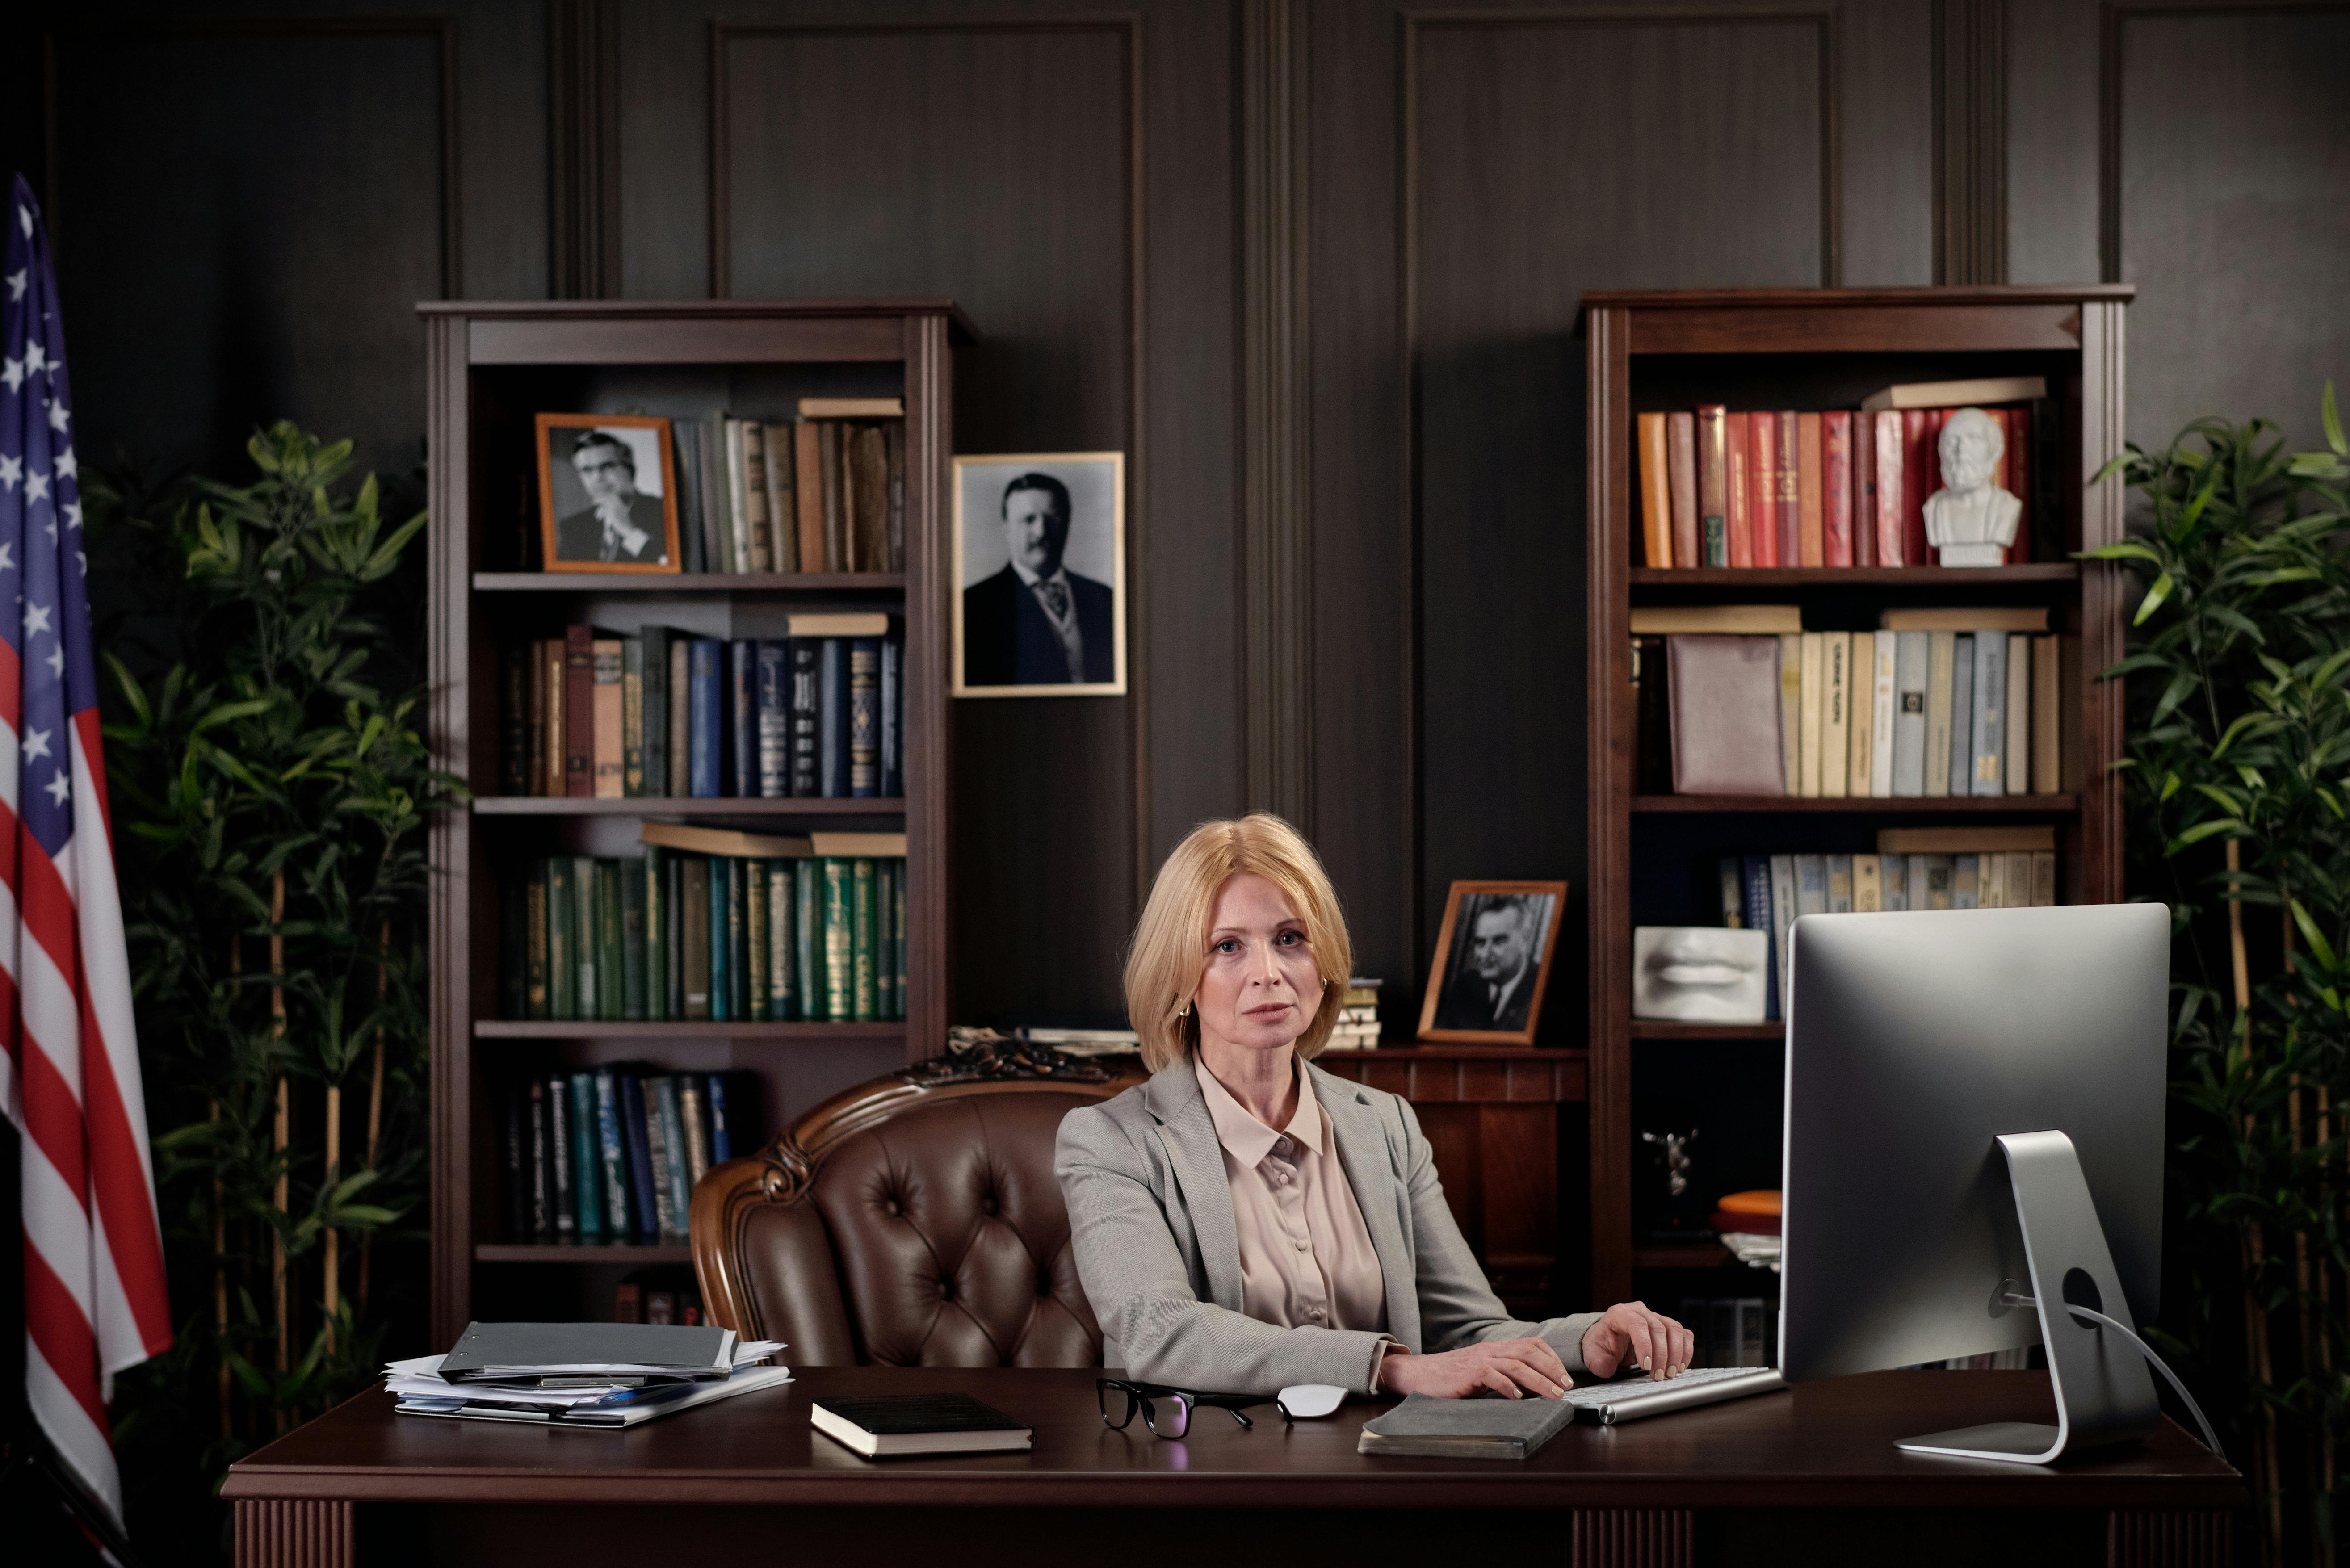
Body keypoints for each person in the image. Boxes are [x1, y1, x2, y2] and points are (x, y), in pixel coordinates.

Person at [1057, 814, 1691, 1399]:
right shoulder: (1112, 1141)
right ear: (1178, 977)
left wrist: (1588, 1341)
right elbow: (1163, 1335)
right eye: (1228, 946)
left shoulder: (1384, 1123)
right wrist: (1390, 1366)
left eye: (1289, 938)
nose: (1269, 971)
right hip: (1212, 1476)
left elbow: (1469, 1327)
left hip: (1388, 1466)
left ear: (1324, 960)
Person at [962, 471, 1115, 685]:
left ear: (1068, 523)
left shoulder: (1105, 599)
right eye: (1029, 519)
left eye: (1052, 518)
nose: (1041, 531)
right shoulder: (974, 606)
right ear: (1007, 527)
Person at [1922, 406, 2021, 567]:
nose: (1961, 451)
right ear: (1941, 450)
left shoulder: (2008, 507)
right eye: (1952, 440)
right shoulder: (1933, 509)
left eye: (1974, 439)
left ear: (1996, 450)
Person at [1433, 895, 1546, 1033]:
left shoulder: (1542, 988)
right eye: (1480, 943)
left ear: (1525, 939)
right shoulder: (1466, 987)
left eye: (1498, 941)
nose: (1485, 954)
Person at [555, 430, 667, 564]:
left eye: (607, 466)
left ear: (631, 470)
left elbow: (669, 566)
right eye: (587, 470)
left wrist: (629, 531)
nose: (597, 478)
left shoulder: (663, 511)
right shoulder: (572, 527)